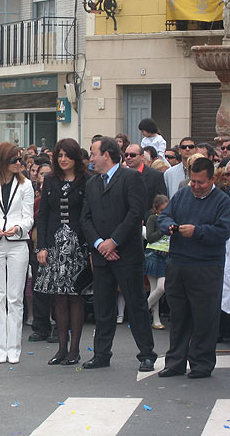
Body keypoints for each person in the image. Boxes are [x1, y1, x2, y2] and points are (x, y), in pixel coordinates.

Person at [80, 137, 156, 372]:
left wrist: (114, 242)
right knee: (103, 305)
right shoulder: (92, 183)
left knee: (135, 304)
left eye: (94, 154)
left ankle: (146, 353)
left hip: (127, 254)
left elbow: (135, 213)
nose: (91, 159)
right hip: (101, 254)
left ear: (107, 155)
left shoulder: (130, 178)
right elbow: (85, 218)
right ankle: (102, 353)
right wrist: (100, 243)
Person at [158, 158, 230, 378]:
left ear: (211, 179)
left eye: (201, 183)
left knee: (204, 317)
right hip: (179, 263)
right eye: (193, 182)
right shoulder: (181, 195)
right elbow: (164, 216)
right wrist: (168, 226)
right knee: (178, 317)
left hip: (206, 266)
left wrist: (197, 231)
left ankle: (201, 363)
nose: (196, 187)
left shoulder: (222, 201)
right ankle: (175, 362)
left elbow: (223, 231)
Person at [35, 138, 90, 366]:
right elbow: (44, 214)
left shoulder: (88, 180)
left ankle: (75, 348)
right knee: (58, 297)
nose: (63, 159)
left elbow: (89, 213)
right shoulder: (50, 180)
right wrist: (42, 246)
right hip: (55, 244)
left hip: (78, 245)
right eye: (59, 155)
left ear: (76, 157)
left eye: (67, 155)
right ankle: (61, 347)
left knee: (75, 296)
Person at [0, 142, 34, 364]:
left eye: (20, 159)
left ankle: (14, 348)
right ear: (3, 162)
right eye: (14, 160)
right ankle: (0, 348)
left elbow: (29, 216)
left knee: (15, 298)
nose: (19, 163)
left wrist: (18, 228)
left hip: (17, 242)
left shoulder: (26, 185)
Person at [144, 194, 170, 330]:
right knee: (157, 288)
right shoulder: (152, 219)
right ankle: (155, 319)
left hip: (166, 256)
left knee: (160, 288)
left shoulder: (172, 220)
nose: (164, 214)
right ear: (156, 209)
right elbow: (150, 237)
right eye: (162, 211)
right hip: (153, 254)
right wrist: (163, 229)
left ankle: (143, 312)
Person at [124, 143, 167, 216]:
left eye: (132, 155)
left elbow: (160, 202)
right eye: (126, 155)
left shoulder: (156, 176)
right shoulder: (121, 175)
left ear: (142, 157)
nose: (128, 157)